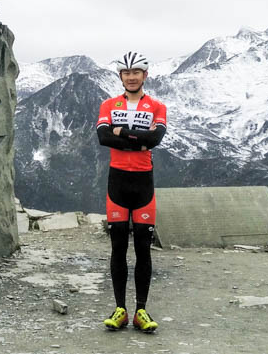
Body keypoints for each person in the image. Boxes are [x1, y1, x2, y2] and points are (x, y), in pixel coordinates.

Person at [96, 51, 167, 332]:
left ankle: (141, 311)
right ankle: (120, 310)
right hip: (117, 183)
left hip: (143, 185)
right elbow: (102, 138)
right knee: (117, 249)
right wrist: (137, 140)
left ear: (145, 76)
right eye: (126, 73)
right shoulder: (108, 104)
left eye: (136, 72)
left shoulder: (158, 106)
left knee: (142, 250)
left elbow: (155, 139)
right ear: (121, 77)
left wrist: (120, 133)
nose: (132, 77)